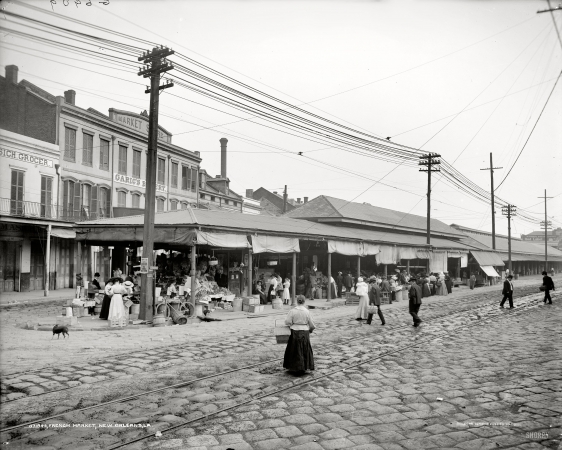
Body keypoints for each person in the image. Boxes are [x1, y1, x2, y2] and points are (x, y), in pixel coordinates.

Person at [283, 295, 315, 374]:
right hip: (305, 331)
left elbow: (287, 321)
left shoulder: (292, 311)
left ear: (297, 301)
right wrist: (310, 330)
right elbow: (311, 324)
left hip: (295, 331)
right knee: (304, 349)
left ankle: (293, 367)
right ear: (304, 302)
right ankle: (304, 366)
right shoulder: (307, 311)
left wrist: (292, 323)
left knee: (294, 349)